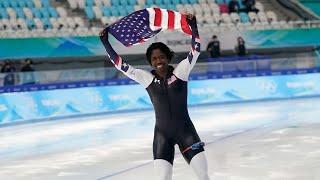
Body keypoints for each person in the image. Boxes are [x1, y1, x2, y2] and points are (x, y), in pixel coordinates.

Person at [100, 14, 210, 180]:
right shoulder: (147, 79)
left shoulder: (181, 72)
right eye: (154, 58)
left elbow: (195, 52)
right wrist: (105, 41)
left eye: (161, 57)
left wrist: (193, 27)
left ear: (167, 57)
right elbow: (120, 65)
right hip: (162, 136)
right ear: (150, 62)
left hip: (187, 133)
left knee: (203, 177)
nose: (159, 61)